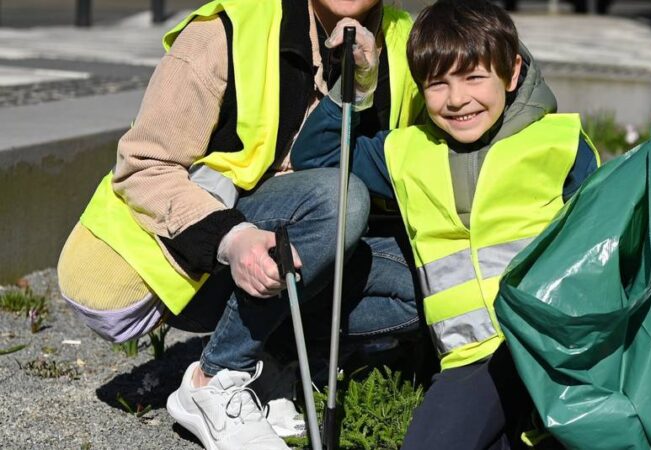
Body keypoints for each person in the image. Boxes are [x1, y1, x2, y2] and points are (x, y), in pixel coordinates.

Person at [56, 0, 424, 448]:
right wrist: (231, 238)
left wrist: (362, 86)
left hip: (310, 250)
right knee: (339, 198)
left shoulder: (407, 39)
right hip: (200, 258)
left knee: (430, 283)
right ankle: (213, 379)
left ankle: (275, 359)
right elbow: (144, 168)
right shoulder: (228, 28)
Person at [291, 0, 601, 448]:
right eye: (437, 84)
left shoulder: (561, 142)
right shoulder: (405, 152)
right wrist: (357, 83)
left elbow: (604, 247)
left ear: (512, 73)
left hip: (555, 350)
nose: (457, 99)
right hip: (470, 360)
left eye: (475, 77)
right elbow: (317, 155)